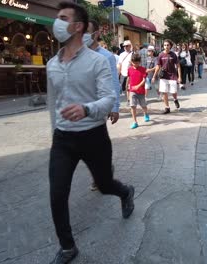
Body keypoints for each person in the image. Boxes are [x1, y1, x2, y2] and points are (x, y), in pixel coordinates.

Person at [46, 3, 135, 264]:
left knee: (105, 184)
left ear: (79, 26)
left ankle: (125, 192)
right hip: (63, 139)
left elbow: (109, 98)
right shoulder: (52, 64)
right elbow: (53, 102)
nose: (57, 23)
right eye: (57, 18)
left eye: (63, 18)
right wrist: (54, 132)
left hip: (93, 135)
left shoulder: (98, 61)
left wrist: (86, 109)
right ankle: (67, 247)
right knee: (57, 193)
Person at [84, 20, 122, 192]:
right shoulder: (77, 54)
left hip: (99, 106)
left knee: (94, 145)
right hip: (81, 106)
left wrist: (115, 107)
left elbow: (114, 82)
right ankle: (104, 170)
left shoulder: (106, 56)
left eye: (87, 31)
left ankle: (98, 176)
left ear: (96, 34)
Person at [153, 39, 181, 114]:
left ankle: (175, 99)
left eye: (167, 45)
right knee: (164, 92)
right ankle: (167, 107)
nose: (166, 47)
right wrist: (154, 76)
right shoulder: (160, 55)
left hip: (172, 76)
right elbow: (158, 66)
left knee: (173, 91)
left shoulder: (173, 55)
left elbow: (178, 66)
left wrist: (179, 77)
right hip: (163, 76)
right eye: (165, 45)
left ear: (170, 46)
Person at [127, 54, 150, 129]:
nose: (135, 64)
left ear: (139, 62)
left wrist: (138, 86)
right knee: (132, 106)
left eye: (137, 63)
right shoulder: (129, 69)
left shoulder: (143, 69)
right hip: (132, 90)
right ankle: (135, 122)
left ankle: (146, 114)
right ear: (132, 62)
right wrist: (127, 85)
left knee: (143, 105)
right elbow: (129, 77)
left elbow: (144, 80)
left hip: (141, 91)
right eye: (134, 63)